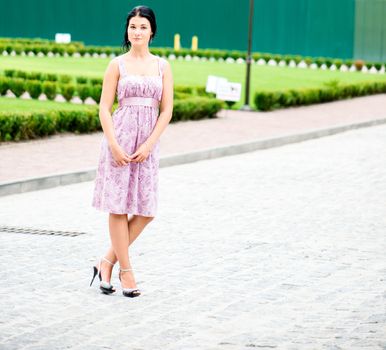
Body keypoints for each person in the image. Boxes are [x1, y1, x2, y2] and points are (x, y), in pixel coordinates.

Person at [89, 5, 174, 297]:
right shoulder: (117, 65)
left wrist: (149, 143)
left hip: (147, 144)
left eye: (142, 27)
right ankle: (127, 272)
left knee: (146, 209)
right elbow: (104, 106)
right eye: (132, 26)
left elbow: (167, 110)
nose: (136, 32)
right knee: (118, 205)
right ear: (127, 30)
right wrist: (113, 143)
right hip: (120, 137)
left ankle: (106, 261)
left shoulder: (162, 66)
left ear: (152, 31)